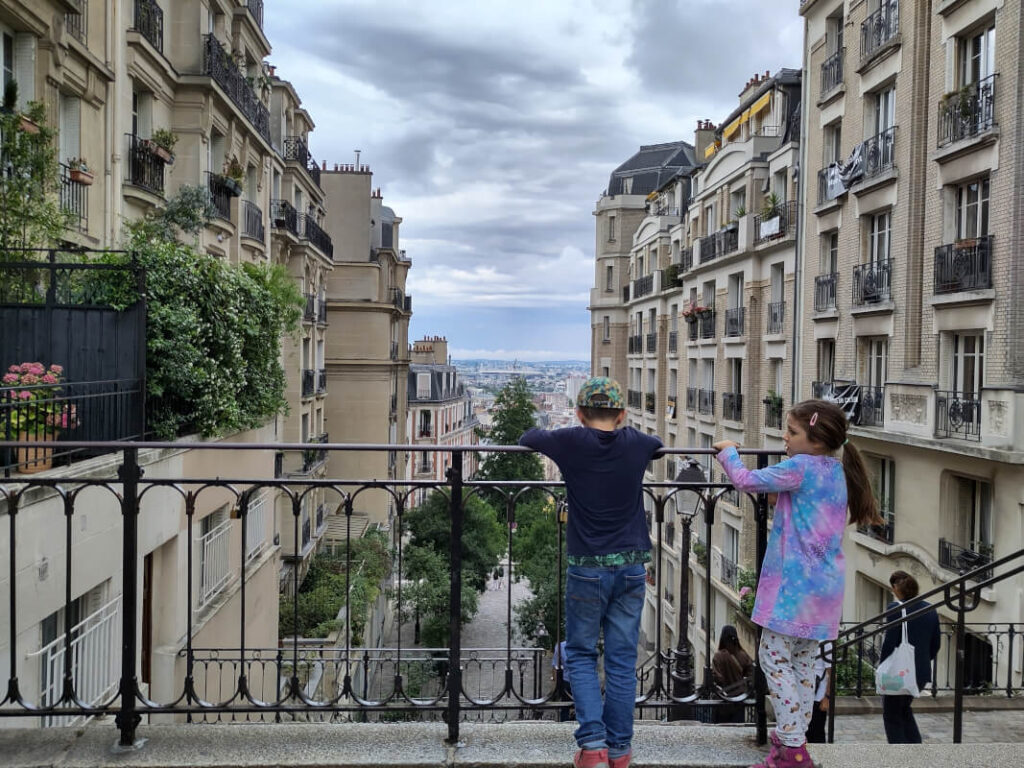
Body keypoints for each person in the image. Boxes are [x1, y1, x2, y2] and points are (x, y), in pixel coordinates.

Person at [713, 399, 882, 768]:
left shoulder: (800, 468)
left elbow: (746, 481)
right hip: (824, 590)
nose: (784, 439)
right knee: (805, 662)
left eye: (791, 432)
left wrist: (728, 453)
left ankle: (791, 747)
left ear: (816, 440)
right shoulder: (836, 471)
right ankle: (793, 742)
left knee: (772, 657)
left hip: (792, 589)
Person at [520, 377, 662, 768]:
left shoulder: (569, 441)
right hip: (632, 566)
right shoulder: (637, 443)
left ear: (580, 413)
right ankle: (620, 750)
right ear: (621, 414)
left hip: (586, 567)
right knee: (620, 659)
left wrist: (564, 431)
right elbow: (657, 446)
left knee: (581, 654)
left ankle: (594, 745)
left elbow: (528, 436)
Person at [879, 570, 941, 744]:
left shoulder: (896, 609)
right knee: (904, 709)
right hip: (919, 673)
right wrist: (920, 662)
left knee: (891, 715)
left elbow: (890, 643)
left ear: (896, 590)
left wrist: (883, 668)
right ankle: (915, 750)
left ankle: (901, 757)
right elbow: (936, 644)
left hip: (898, 674)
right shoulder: (930, 609)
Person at [711, 625, 753, 723]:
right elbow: (751, 673)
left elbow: (717, 678)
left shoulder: (718, 656)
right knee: (737, 726)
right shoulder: (743, 655)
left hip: (723, 699)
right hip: (739, 699)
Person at [805, 642, 833, 744]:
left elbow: (832, 673)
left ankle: (820, 758)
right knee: (804, 734)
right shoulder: (801, 640)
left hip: (818, 698)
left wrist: (827, 697)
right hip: (803, 696)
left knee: (817, 734)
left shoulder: (825, 644)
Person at [552, 639, 573, 722]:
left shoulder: (560, 646)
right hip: (568, 681)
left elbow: (555, 666)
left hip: (567, 680)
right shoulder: (560, 646)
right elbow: (555, 666)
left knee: (565, 707)